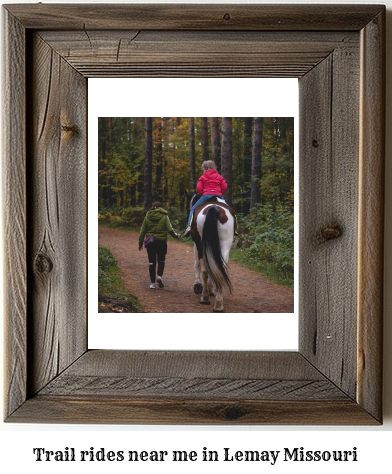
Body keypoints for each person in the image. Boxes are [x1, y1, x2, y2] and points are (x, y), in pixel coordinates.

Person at [138, 201, 181, 289]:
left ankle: (152, 284)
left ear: (153, 207)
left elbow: (143, 231)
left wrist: (140, 243)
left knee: (151, 263)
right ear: (161, 207)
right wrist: (176, 236)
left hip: (150, 242)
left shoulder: (148, 216)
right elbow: (169, 229)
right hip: (161, 242)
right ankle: (159, 277)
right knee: (161, 260)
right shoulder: (164, 216)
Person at [184, 160, 228, 237]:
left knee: (193, 209)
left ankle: (189, 227)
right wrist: (220, 193)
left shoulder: (203, 176)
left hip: (206, 196)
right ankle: (234, 229)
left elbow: (199, 187)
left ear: (205, 168)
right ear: (213, 167)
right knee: (229, 210)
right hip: (218, 196)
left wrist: (203, 193)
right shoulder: (219, 176)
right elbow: (224, 187)